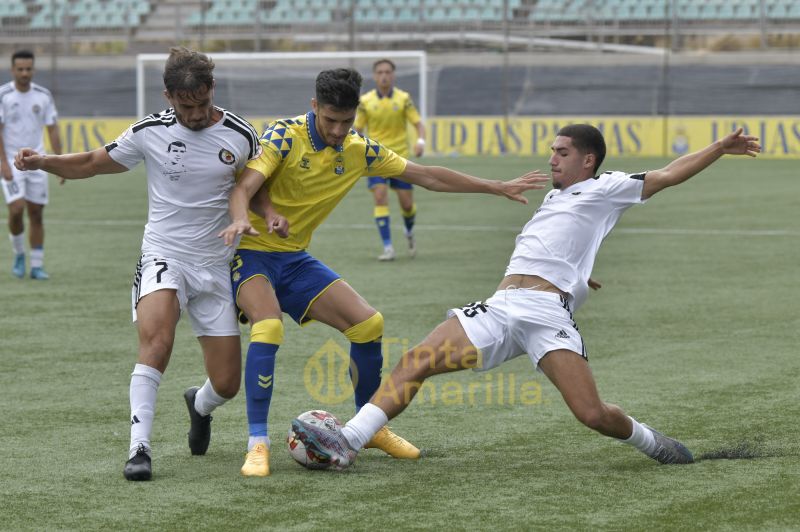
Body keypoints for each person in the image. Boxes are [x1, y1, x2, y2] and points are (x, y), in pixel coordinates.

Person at [291, 124, 761, 469]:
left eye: (561, 152)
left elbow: (669, 174)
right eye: (552, 150)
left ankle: (652, 443)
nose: (552, 159)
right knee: (417, 359)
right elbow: (560, 246)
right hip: (499, 306)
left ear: (587, 161)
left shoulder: (606, 187)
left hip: (544, 313)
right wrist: (579, 273)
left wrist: (720, 146)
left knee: (591, 414)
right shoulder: (554, 199)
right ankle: (348, 441)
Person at [227, 68, 548, 477]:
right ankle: (257, 444)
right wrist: (252, 217)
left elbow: (427, 176)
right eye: (330, 120)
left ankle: (369, 424)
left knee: (368, 324)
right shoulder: (284, 135)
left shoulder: (360, 149)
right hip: (252, 252)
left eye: (346, 121)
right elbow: (243, 188)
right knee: (268, 327)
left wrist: (496, 186)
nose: (339, 130)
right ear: (314, 108)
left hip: (293, 257)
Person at [15, 47, 264, 481]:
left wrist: (267, 215)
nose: (197, 115)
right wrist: (45, 161)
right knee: (157, 343)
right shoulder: (150, 131)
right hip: (164, 253)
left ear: (212, 91)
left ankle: (198, 405)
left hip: (216, 264)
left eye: (203, 104)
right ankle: (139, 449)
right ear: (169, 96)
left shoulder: (240, 136)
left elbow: (257, 188)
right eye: (186, 107)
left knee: (227, 384)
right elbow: (94, 162)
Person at [354, 59, 425, 261]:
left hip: (400, 158)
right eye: (380, 72)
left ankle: (409, 232)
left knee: (407, 206)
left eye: (387, 72)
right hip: (375, 158)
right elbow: (357, 130)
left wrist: (420, 141)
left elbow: (418, 124)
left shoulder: (403, 99)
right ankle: (388, 247)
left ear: (393, 75)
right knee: (380, 197)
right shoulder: (365, 102)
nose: (384, 75)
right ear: (375, 76)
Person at [1, 49, 62, 280]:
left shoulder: (43, 96)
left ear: (33, 69)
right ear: (13, 70)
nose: (25, 73)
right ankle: (19, 254)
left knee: (36, 214)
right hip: (11, 162)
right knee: (16, 210)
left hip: (38, 163)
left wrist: (59, 161)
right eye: (20, 69)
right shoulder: (3, 94)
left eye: (28, 69)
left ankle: (36, 265)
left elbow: (52, 129)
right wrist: (3, 164)